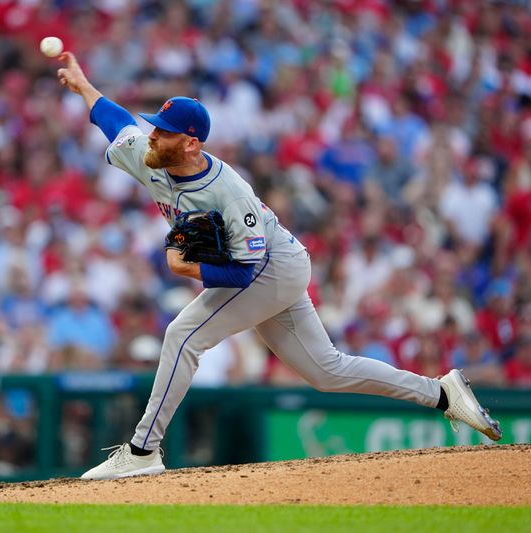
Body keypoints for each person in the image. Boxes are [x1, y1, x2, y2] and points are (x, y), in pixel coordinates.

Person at [55, 52, 502, 481]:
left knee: (183, 335)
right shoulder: (150, 155)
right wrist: (83, 86)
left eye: (163, 132)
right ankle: (443, 392)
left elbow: (244, 274)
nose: (152, 135)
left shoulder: (229, 193)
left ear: (191, 144)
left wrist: (189, 269)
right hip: (267, 268)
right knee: (328, 371)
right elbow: (117, 123)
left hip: (271, 267)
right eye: (155, 127)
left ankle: (141, 451)